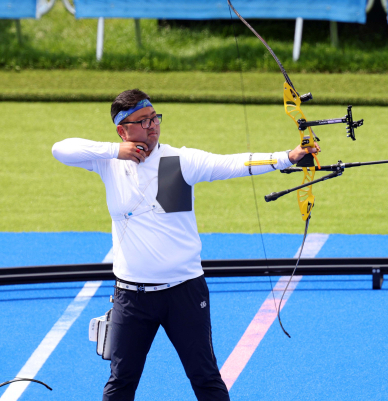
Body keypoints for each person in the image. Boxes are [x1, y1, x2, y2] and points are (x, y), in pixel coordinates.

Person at [51, 89, 318, 401]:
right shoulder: (109, 163)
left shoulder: (177, 162)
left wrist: (288, 157)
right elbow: (60, 149)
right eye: (143, 121)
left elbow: (234, 163)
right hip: (131, 297)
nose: (152, 126)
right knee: (120, 382)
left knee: (205, 378)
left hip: (184, 292)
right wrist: (115, 150)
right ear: (123, 130)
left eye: (155, 118)